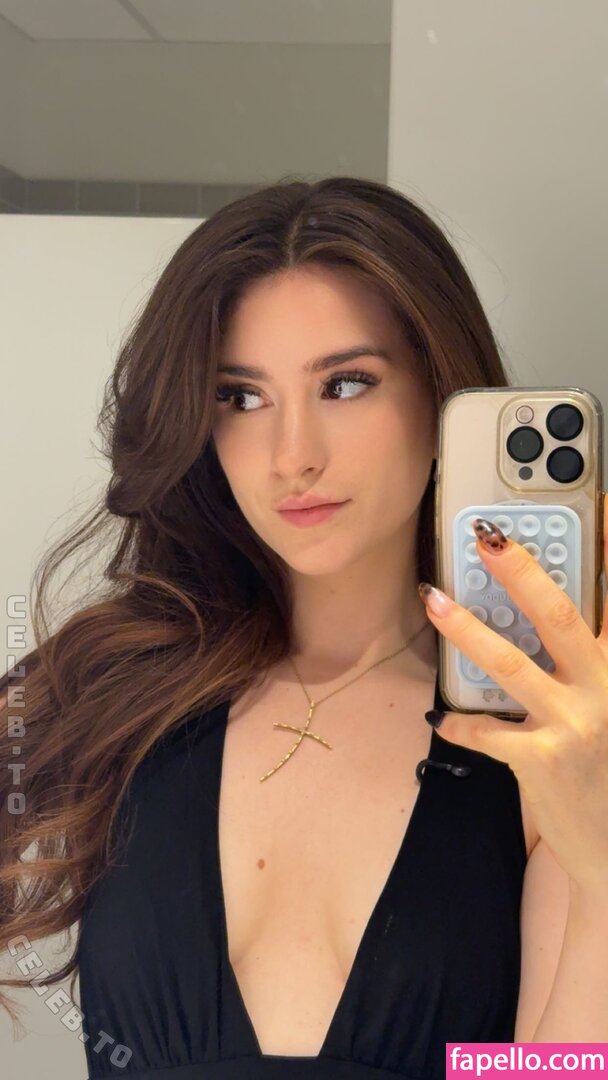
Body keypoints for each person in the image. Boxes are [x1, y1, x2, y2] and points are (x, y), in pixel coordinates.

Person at [0, 177, 552, 1078]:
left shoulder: (536, 741)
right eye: (241, 398)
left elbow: (572, 1067)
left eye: (346, 384)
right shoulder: (114, 703)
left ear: (444, 395)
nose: (293, 456)